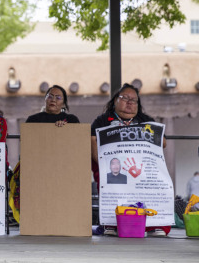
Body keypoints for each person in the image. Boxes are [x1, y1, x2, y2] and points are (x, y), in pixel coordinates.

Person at [91, 83, 170, 237]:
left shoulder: (145, 120)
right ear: (115, 101)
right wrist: (103, 165)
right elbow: (92, 141)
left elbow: (163, 142)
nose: (129, 102)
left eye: (134, 100)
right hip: (113, 166)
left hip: (140, 167)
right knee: (109, 178)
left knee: (157, 180)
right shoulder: (102, 120)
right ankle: (111, 224)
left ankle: (154, 224)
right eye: (125, 98)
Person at [10, 85, 80, 223]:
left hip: (64, 169)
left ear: (64, 102)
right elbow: (27, 143)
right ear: (45, 99)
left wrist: (64, 131)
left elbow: (77, 143)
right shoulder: (33, 119)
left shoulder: (71, 120)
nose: (53, 99)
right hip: (38, 167)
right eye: (50, 96)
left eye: (58, 97)